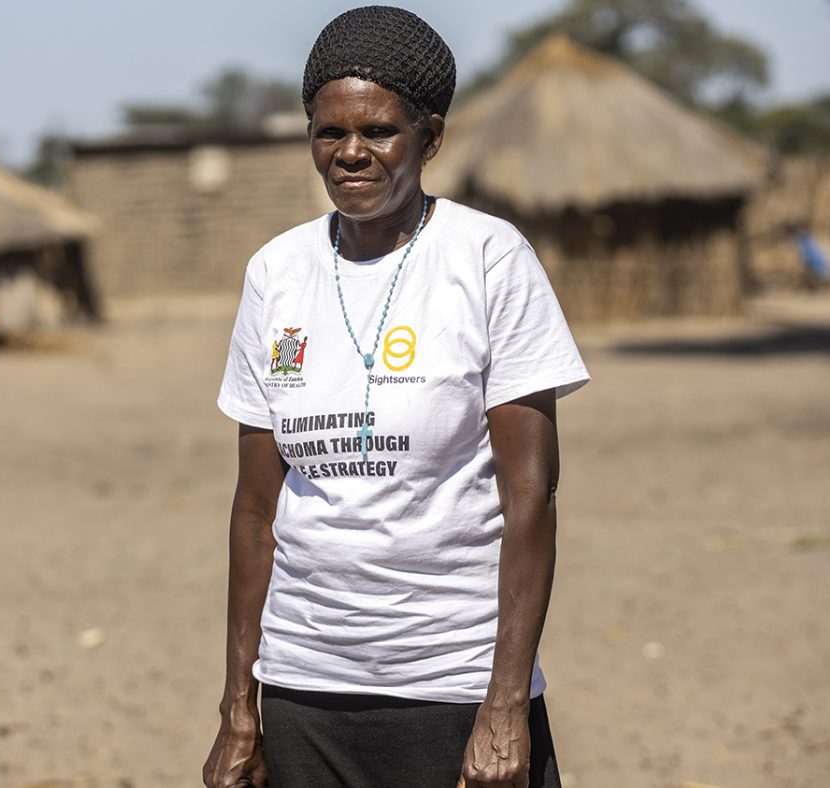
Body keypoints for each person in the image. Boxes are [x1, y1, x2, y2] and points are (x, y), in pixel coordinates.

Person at [203, 7, 589, 787]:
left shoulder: (487, 260)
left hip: (451, 686)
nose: (350, 153)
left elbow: (530, 494)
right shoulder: (276, 273)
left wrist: (506, 704)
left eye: (378, 131)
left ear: (430, 136)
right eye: (327, 132)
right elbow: (255, 507)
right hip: (305, 687)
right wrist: (240, 706)